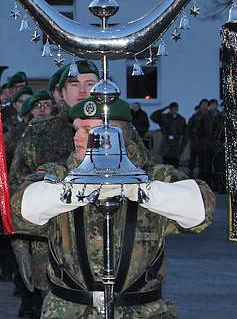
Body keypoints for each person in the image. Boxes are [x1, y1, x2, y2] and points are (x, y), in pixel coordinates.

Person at [12, 97, 215, 318]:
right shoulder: (58, 174)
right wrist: (78, 189)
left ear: (117, 135)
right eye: (76, 128)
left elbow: (202, 211)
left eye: (88, 129)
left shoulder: (154, 175)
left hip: (143, 311)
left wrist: (138, 189)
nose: (77, 137)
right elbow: (18, 211)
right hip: (69, 310)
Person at [7, 60, 98, 318]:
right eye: (74, 85)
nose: (83, 91)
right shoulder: (39, 132)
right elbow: (17, 189)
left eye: (90, 84)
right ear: (59, 93)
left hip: (106, 252)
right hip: (51, 250)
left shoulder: (119, 130)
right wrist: (20, 246)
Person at [151, 102, 187, 167]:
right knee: (166, 165)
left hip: (176, 145)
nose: (174, 110)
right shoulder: (164, 117)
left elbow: (185, 133)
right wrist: (164, 108)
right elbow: (153, 116)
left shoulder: (181, 119)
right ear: (169, 109)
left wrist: (182, 146)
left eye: (175, 109)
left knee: (175, 166)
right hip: (166, 143)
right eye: (172, 108)